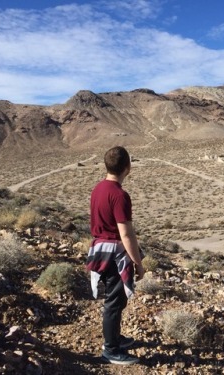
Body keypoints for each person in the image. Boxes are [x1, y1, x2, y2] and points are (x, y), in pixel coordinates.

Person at [86, 146, 144, 365]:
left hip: (100, 250)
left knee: (116, 300)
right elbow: (126, 234)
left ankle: (115, 338)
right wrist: (138, 263)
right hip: (114, 253)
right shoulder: (119, 195)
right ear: (127, 168)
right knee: (114, 301)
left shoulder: (98, 188)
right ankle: (110, 350)